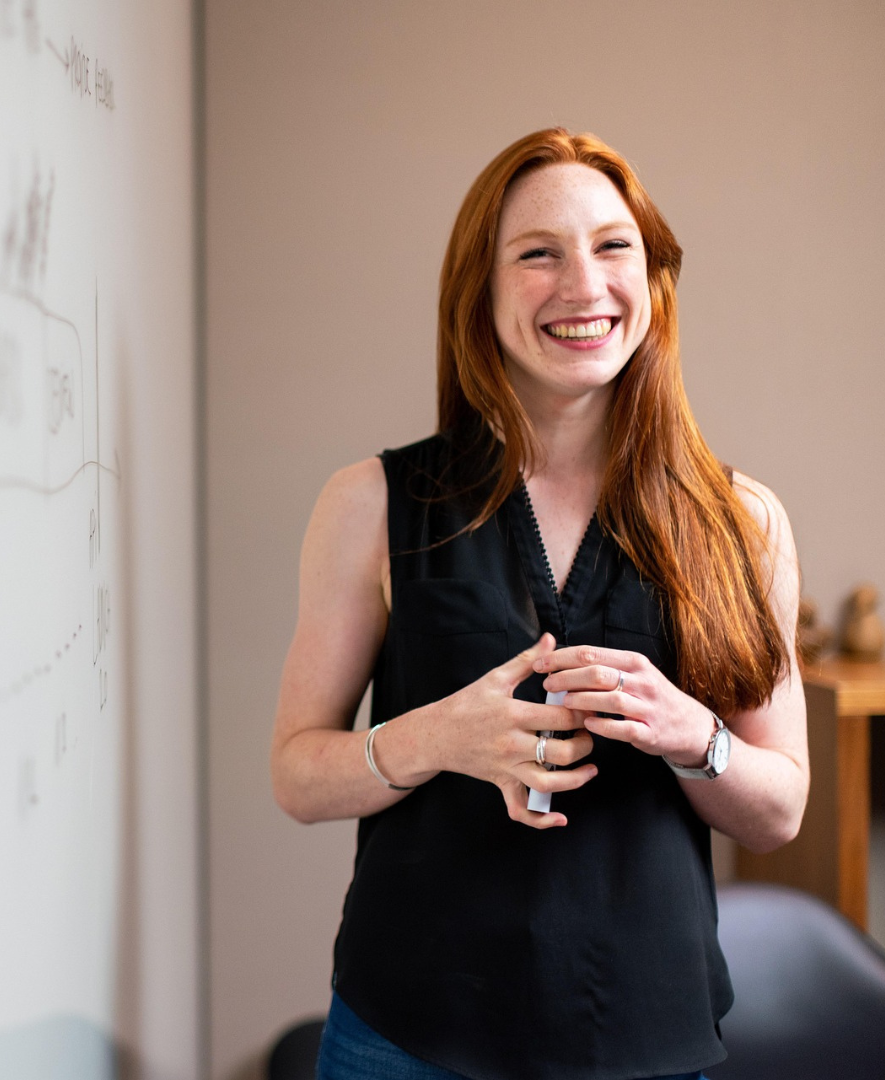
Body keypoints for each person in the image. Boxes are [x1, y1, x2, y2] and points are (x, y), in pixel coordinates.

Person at [271, 128, 808, 1080]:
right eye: (538, 254)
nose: (583, 285)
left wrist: (694, 736)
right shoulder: (370, 504)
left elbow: (779, 810)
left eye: (613, 247)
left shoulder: (745, 521)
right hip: (407, 1039)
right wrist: (436, 738)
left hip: (648, 1040)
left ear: (654, 280)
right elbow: (298, 775)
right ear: (479, 289)